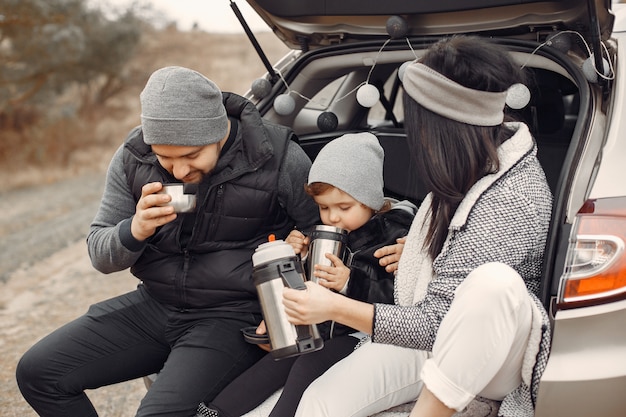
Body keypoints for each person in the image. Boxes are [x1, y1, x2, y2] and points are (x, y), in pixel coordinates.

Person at [15, 66, 320, 417]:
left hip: (233, 315)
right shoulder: (132, 156)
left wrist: (284, 306)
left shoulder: (278, 158)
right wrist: (136, 228)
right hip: (156, 304)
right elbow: (100, 253)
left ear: (220, 130)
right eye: (165, 157)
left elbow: (324, 234)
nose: (178, 171)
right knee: (38, 372)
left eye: (191, 156)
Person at [282, 35, 553, 417]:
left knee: (494, 284)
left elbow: (439, 322)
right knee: (320, 402)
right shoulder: (468, 165)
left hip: (493, 350)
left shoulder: (512, 197)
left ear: (442, 128)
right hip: (431, 336)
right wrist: (423, 252)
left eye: (418, 122)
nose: (414, 136)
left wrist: (336, 307)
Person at [196, 132, 416, 417]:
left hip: (357, 333)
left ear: (371, 199)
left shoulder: (394, 237)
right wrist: (295, 257)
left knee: (307, 365)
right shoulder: (321, 235)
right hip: (318, 328)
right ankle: (214, 411)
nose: (332, 217)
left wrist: (351, 282)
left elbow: (397, 296)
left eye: (344, 207)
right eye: (324, 208)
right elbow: (302, 288)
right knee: (276, 362)